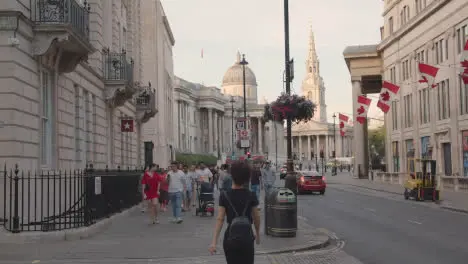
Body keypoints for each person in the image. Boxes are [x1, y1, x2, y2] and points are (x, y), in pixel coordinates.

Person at [209, 161, 260, 264]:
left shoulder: (224, 195)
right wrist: (257, 234)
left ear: (232, 175)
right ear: (247, 177)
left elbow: (220, 219)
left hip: (230, 236)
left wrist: (214, 242)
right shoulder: (251, 195)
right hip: (247, 236)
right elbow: (256, 217)